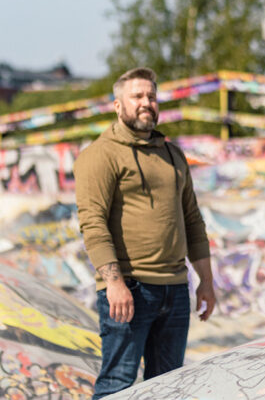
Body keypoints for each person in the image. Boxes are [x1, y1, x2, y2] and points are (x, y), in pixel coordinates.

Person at [75, 67, 216, 398]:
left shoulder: (172, 154)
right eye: (136, 96)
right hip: (130, 287)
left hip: (175, 289)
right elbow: (92, 222)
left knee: (166, 389)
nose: (146, 103)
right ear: (117, 105)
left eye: (151, 96)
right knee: (116, 385)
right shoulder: (101, 154)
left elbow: (192, 220)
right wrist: (113, 282)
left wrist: (206, 281)